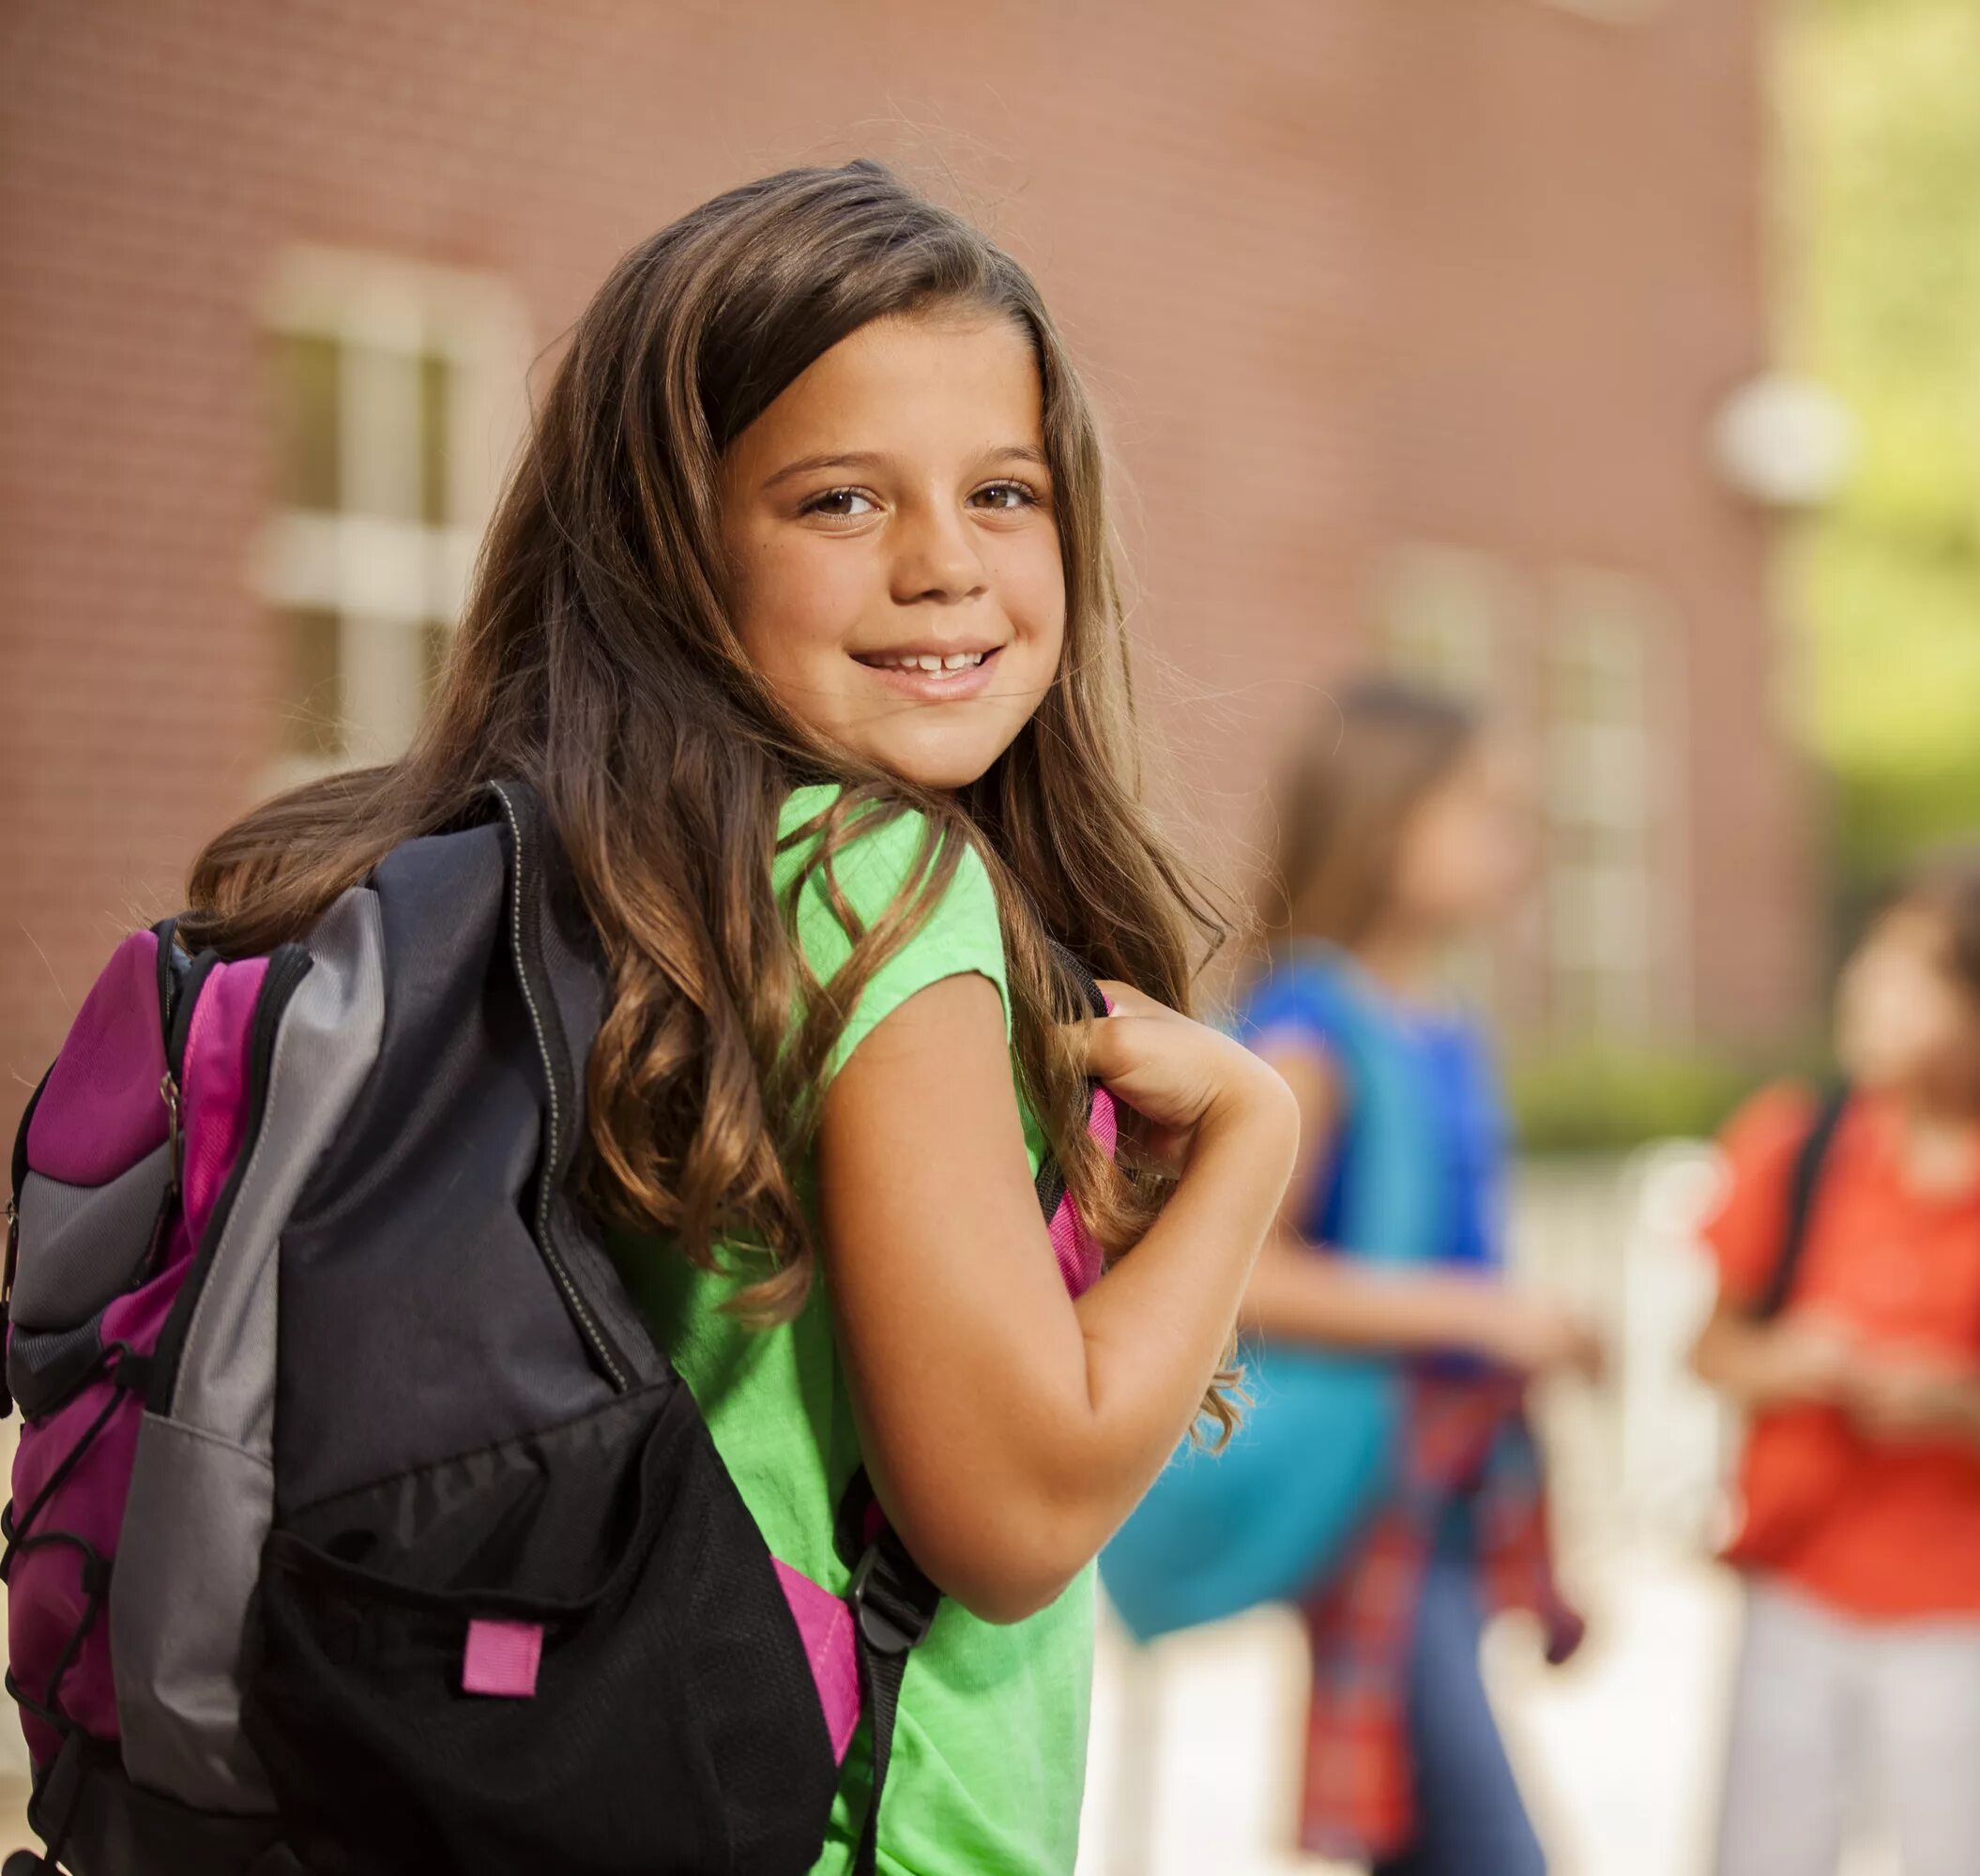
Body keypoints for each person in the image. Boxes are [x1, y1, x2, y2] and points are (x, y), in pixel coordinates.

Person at [179, 159, 1297, 1875]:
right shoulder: (874, 883)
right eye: (839, 500)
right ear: (669, 545)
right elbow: (1011, 1510)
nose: (945, 565)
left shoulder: (602, 876)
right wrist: (1250, 1138)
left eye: (1003, 491)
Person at [1692, 843, 1980, 1876]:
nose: (1868, 986)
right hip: (1792, 1578)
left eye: (1915, 971)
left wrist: (1960, 1403)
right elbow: (1710, 1348)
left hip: (1952, 1609)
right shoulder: (1793, 1144)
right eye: (1876, 956)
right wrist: (1788, 1362)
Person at [1238, 680, 1601, 1876]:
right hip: (1368, 1490)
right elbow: (1238, 1275)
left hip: (1446, 1488)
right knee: (1488, 1846)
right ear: (1386, 823)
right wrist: (1478, 1315)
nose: (1515, 842)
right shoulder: (1308, 1027)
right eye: (1484, 811)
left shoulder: (1441, 1022)